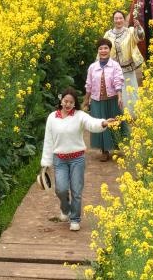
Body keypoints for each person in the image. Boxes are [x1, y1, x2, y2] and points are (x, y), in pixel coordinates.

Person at [40, 87, 119, 232]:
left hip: (77, 159)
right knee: (61, 189)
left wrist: (103, 123)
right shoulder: (52, 117)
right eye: (65, 101)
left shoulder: (80, 115)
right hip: (60, 160)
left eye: (71, 102)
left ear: (75, 103)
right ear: (61, 100)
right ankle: (65, 209)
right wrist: (45, 164)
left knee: (76, 190)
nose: (67, 104)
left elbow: (92, 123)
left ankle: (75, 219)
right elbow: (48, 141)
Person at [83, 39, 125, 161]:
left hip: (112, 99)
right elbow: (89, 85)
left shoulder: (115, 65)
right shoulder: (92, 67)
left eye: (106, 48)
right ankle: (104, 151)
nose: (103, 51)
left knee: (114, 123)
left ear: (110, 50)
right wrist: (86, 100)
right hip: (97, 101)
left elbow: (118, 81)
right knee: (100, 125)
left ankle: (117, 146)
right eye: (101, 48)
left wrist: (119, 96)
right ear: (98, 51)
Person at [103, 10, 144, 117]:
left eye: (120, 18)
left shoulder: (129, 31)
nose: (118, 20)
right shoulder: (108, 34)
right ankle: (118, 114)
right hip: (113, 69)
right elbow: (103, 49)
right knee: (116, 90)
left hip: (128, 68)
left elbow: (140, 37)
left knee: (130, 89)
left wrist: (138, 27)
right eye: (116, 18)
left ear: (124, 20)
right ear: (113, 20)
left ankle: (133, 114)